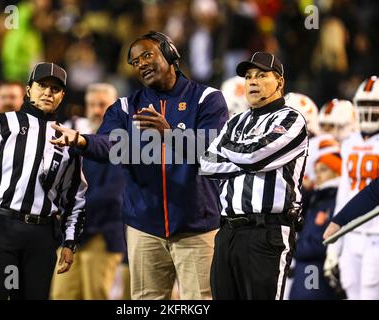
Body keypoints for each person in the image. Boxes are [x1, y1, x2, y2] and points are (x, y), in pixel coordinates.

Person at [50, 31, 229, 300]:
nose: (141, 64)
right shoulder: (124, 107)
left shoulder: (207, 99)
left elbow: (211, 152)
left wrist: (169, 135)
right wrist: (81, 140)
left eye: (147, 55)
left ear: (170, 54)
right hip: (144, 228)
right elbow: (109, 146)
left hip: (197, 226)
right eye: (135, 62)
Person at [0, 62, 87, 300]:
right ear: (29, 90)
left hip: (42, 235)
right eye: (42, 85)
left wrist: (69, 242)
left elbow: (75, 195)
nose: (48, 92)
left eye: (55, 89)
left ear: (62, 96)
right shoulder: (0, 123)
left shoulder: (67, 138)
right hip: (0, 227)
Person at [200, 52, 308, 300]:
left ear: (279, 82)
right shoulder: (235, 122)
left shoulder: (291, 118)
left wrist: (234, 150)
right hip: (227, 231)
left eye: (261, 75)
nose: (252, 82)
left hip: (267, 231)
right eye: (248, 77)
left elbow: (255, 156)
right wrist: (249, 159)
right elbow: (207, 164)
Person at [50, 83, 127, 300]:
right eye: (92, 104)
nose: (96, 110)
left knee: (96, 294)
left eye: (102, 105)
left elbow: (114, 192)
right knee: (62, 294)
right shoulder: (79, 137)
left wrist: (69, 208)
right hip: (72, 233)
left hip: (102, 232)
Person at [324, 76, 379, 300]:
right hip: (351, 230)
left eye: (374, 105)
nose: (368, 111)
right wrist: (333, 249)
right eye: (364, 105)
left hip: (376, 232)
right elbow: (343, 192)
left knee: (369, 290)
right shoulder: (349, 142)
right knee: (350, 287)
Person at [289, 152, 345, 300]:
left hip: (315, 268)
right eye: (317, 170)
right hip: (304, 266)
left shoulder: (335, 200)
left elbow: (324, 241)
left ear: (336, 171)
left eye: (324, 169)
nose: (318, 175)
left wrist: (296, 247)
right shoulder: (316, 198)